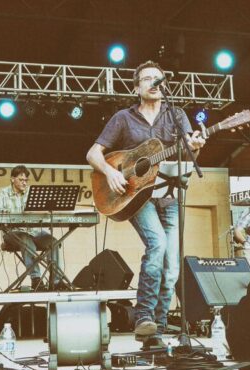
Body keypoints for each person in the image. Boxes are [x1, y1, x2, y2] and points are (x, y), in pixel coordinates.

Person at [86, 60, 204, 349]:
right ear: (137, 87)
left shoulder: (176, 115)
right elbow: (93, 153)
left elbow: (187, 158)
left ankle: (156, 333)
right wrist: (111, 171)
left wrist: (197, 147)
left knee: (173, 268)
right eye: (147, 79)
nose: (154, 82)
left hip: (170, 195)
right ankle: (143, 317)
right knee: (158, 245)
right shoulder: (123, 118)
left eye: (158, 78)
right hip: (138, 197)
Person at [0, 165, 63, 290]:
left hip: (34, 231)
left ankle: (56, 281)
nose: (24, 183)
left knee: (54, 242)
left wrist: (44, 212)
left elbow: (41, 213)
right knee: (26, 240)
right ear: (12, 179)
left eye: (26, 180)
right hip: (12, 233)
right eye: (21, 180)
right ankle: (36, 279)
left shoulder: (32, 192)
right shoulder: (2, 193)